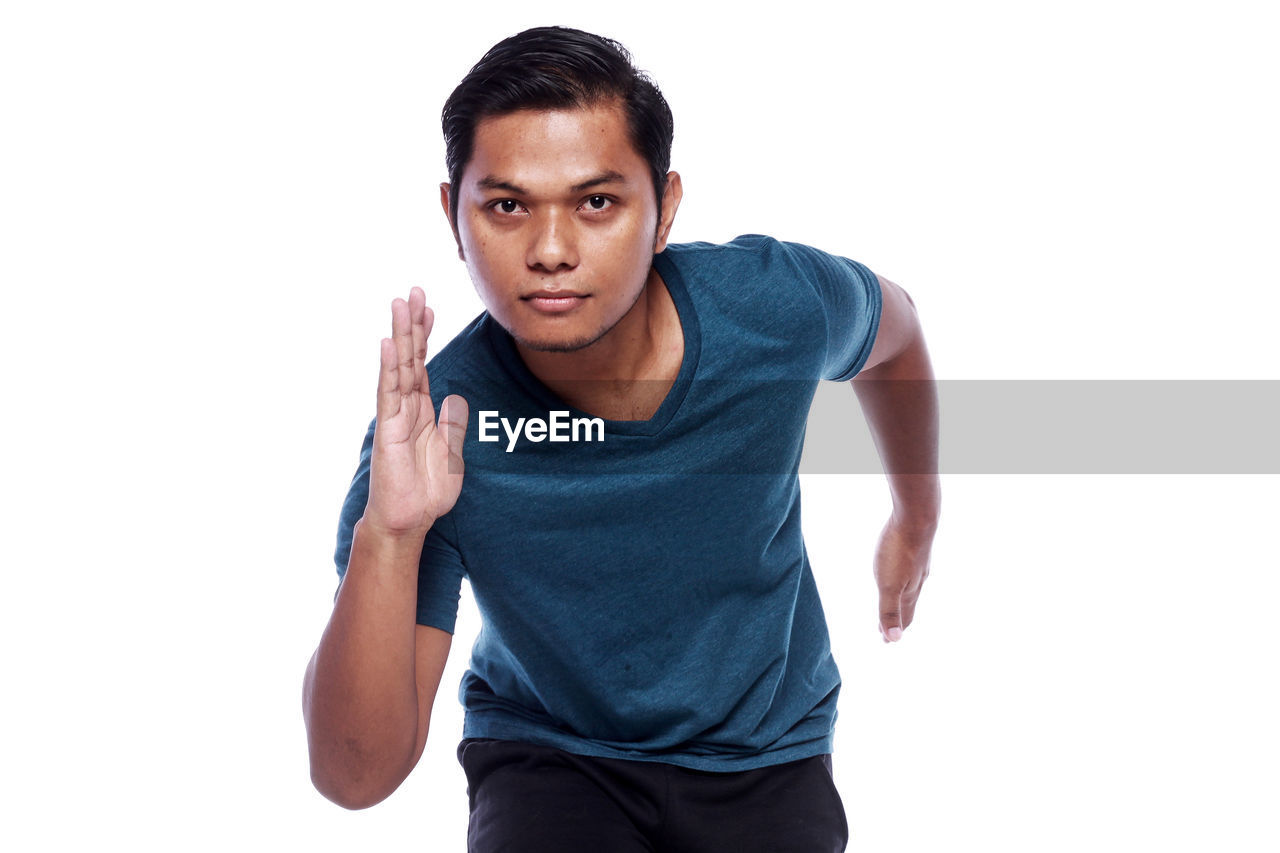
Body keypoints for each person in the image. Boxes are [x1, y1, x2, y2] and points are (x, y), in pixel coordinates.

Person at [302, 25, 939, 852]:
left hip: (764, 752)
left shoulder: (773, 307)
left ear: (664, 207)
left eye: (596, 202)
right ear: (453, 216)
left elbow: (899, 334)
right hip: (552, 753)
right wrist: (391, 534)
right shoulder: (436, 430)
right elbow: (355, 776)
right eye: (507, 206)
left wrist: (915, 513)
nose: (552, 251)